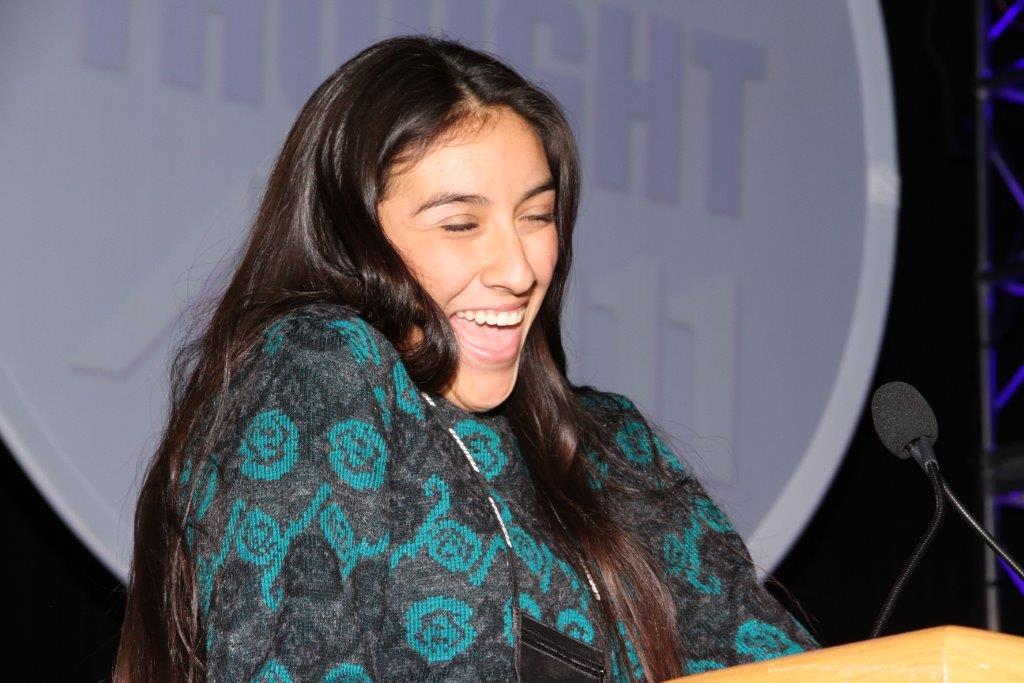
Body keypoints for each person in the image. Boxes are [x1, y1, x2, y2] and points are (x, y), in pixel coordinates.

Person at [115, 35, 818, 682]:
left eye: (536, 216)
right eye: (460, 224)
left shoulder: (614, 448)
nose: (519, 267)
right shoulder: (320, 363)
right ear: (350, 239)